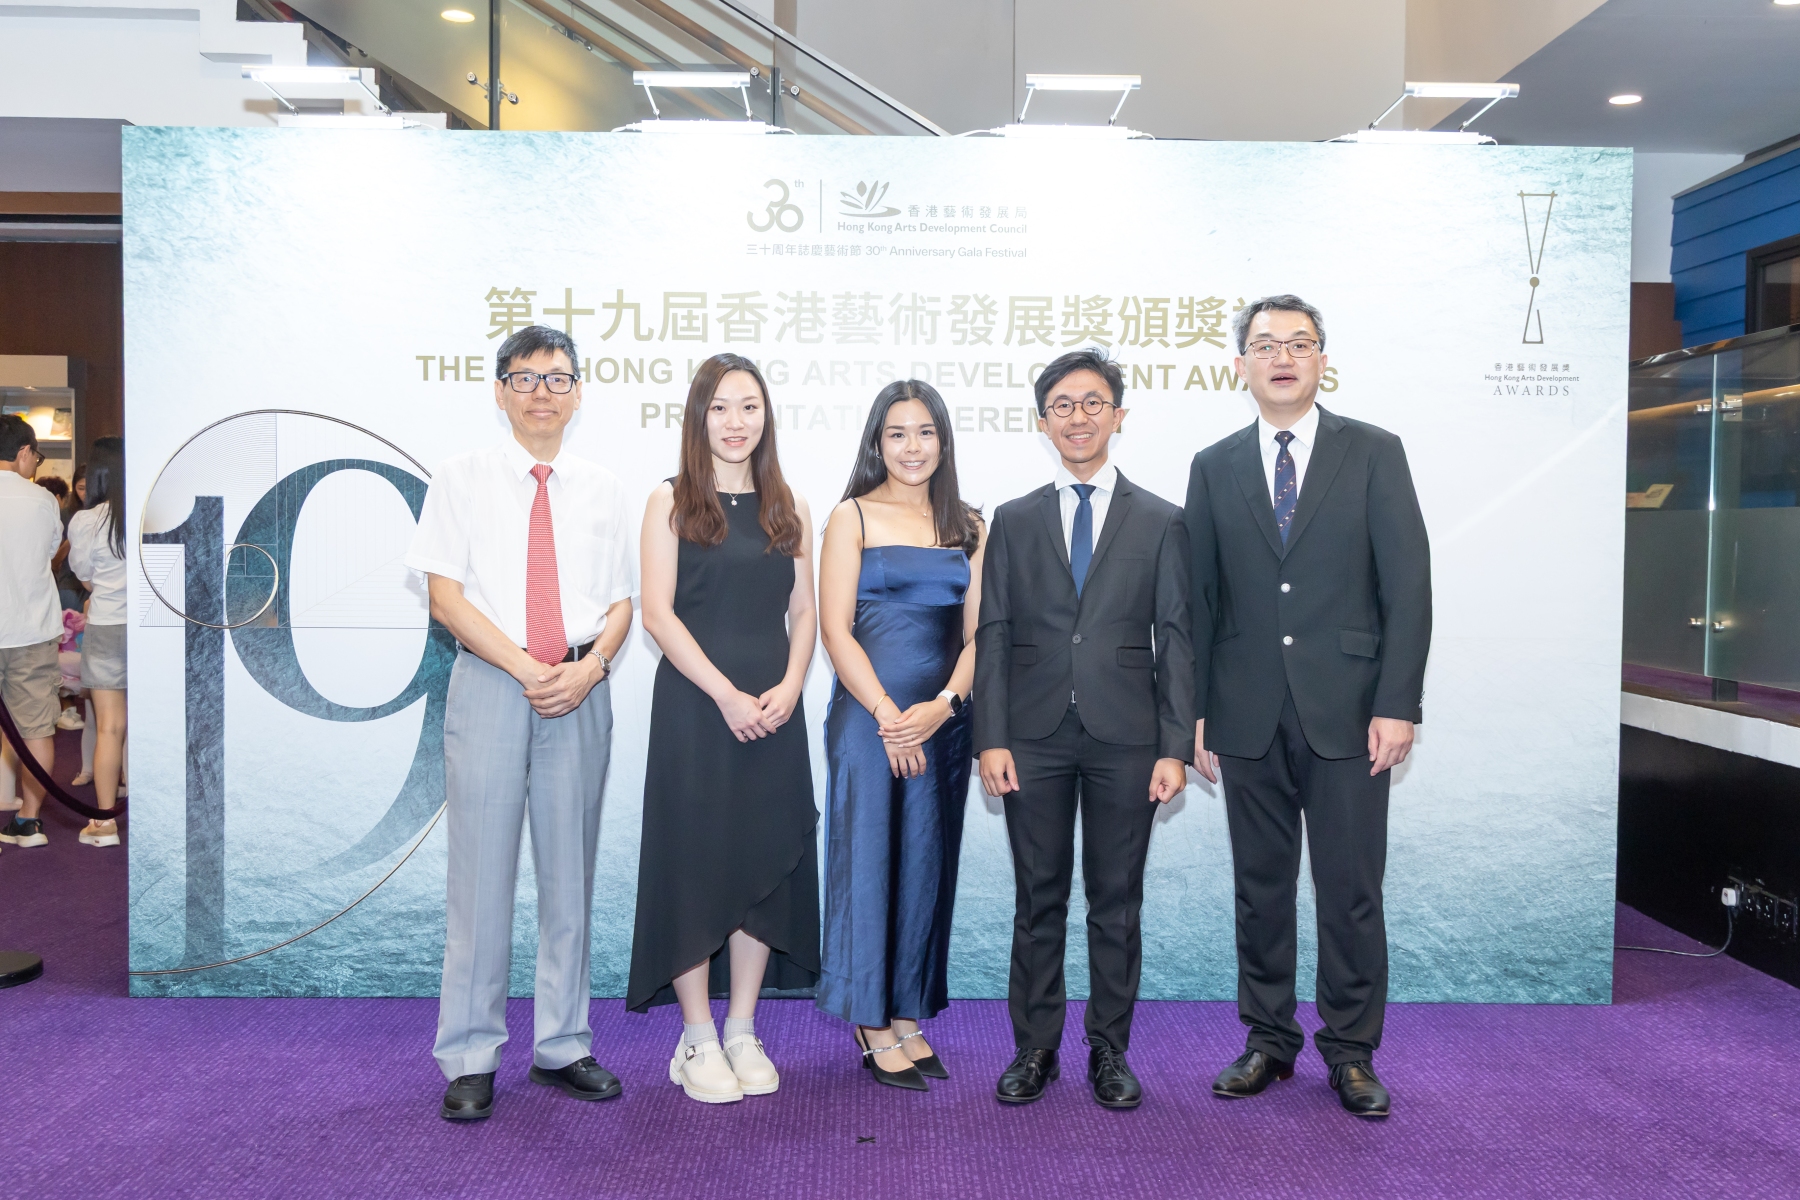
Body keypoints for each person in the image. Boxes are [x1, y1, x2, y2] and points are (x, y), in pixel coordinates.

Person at [1183, 295, 1431, 1119]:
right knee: (1260, 889)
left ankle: (1352, 1051)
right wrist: (1195, 712)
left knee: (1351, 889)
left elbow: (1408, 585)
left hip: (1352, 712)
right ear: (1240, 365)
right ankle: (1268, 1039)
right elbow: (1199, 599)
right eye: (1265, 345)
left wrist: (1397, 702)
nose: (1282, 357)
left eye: (1299, 343)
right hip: (1244, 710)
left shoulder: (1375, 451)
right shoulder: (1213, 465)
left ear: (1323, 358)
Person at [406, 324, 636, 1122]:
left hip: (580, 688)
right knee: (480, 879)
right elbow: (445, 598)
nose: (543, 392)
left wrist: (590, 668)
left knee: (570, 876)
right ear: (500, 391)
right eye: (526, 377)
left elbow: (621, 604)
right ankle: (470, 1055)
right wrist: (524, 666)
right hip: (493, 684)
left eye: (558, 378)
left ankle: (563, 1045)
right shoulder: (460, 477)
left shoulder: (604, 487)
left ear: (579, 392)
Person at [974, 348, 1194, 1110]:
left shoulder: (1162, 520)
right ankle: (1035, 1048)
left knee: (1116, 901)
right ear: (1043, 422)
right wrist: (991, 738)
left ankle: (1109, 1049)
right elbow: (994, 634)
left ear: (1118, 415)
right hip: (1030, 736)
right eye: (1062, 405)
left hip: (1127, 737)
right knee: (1038, 900)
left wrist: (1174, 747)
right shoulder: (1013, 519)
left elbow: (1177, 639)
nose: (1078, 417)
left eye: (1093, 403)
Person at [629, 352, 819, 1106]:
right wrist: (726, 696)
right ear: (697, 416)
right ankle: (697, 1037)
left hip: (774, 710)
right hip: (697, 711)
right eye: (720, 408)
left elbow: (803, 610)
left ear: (766, 416)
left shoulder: (788, 504)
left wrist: (791, 685)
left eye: (749, 407)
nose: (736, 423)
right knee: (695, 863)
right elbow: (657, 614)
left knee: (761, 861)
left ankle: (742, 1028)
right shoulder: (670, 500)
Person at [816, 380, 985, 1092]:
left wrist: (942, 706)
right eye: (896, 433)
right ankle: (870, 1018)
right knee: (869, 862)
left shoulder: (970, 524)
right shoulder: (851, 516)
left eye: (924, 432)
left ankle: (908, 1010)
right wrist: (890, 714)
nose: (912, 447)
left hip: (941, 725)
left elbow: (980, 636)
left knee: (926, 865)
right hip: (868, 720)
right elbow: (834, 631)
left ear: (943, 440)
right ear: (876, 443)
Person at [0, 414, 63, 849]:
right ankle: (28, 822)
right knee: (36, 728)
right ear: (24, 452)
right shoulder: (42, 500)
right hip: (30, 630)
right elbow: (49, 552)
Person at [67, 437, 129, 847]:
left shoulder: (86, 521)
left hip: (106, 625)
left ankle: (105, 825)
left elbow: (84, 576)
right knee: (151, 725)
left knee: (108, 727)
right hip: (152, 630)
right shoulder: (150, 515)